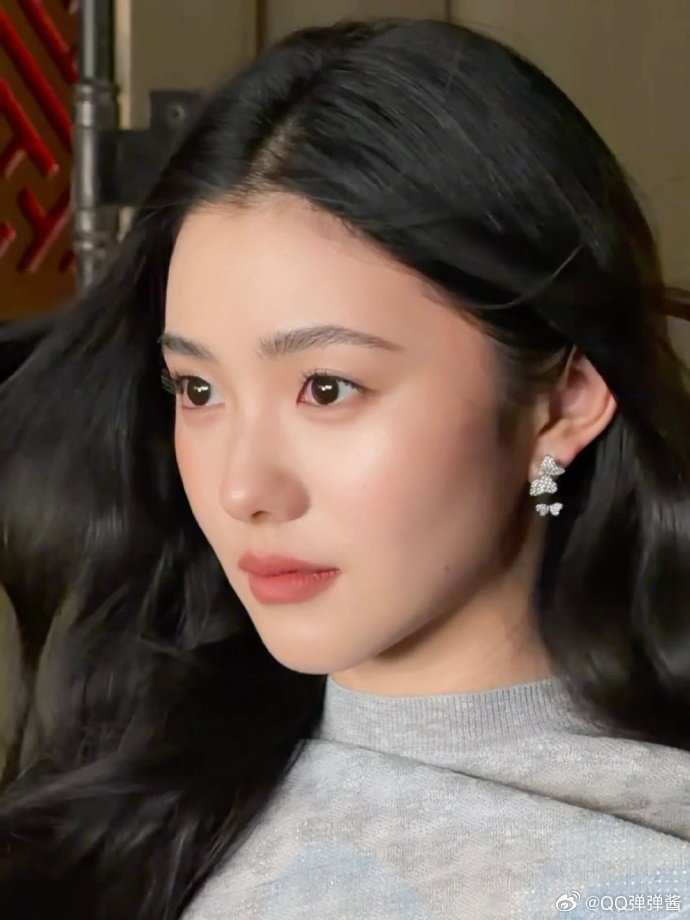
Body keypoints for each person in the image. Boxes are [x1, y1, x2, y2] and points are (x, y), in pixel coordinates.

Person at [0, 16, 688, 920]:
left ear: (562, 403)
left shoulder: (646, 881)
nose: (244, 489)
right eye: (198, 390)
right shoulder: (141, 803)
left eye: (326, 388)